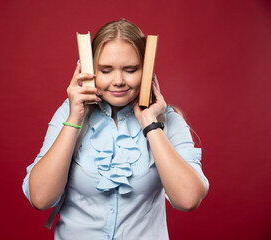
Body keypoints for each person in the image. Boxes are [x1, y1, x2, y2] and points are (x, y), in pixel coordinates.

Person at [22, 19, 209, 240]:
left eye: (130, 70)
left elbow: (188, 199)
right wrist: (74, 118)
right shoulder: (69, 113)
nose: (118, 81)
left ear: (146, 71)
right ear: (89, 70)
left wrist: (151, 124)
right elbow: (41, 199)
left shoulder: (168, 120)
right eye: (106, 70)